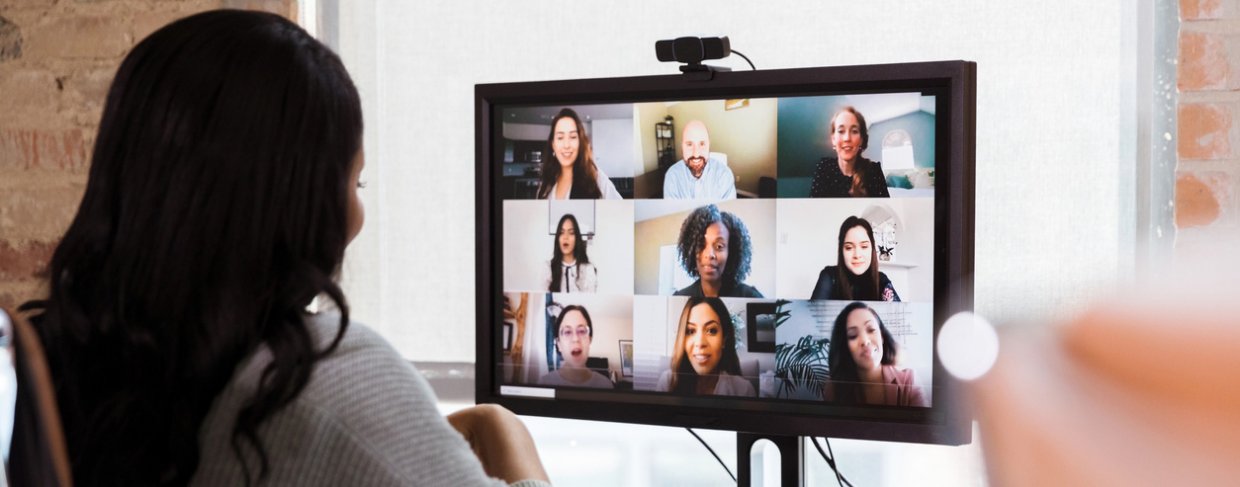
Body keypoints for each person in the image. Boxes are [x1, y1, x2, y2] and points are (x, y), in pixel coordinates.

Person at [18, 10, 548, 486]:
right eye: (354, 184)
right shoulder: (319, 378)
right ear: (299, 201)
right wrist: (503, 431)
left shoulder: (49, 366)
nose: (358, 217)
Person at [823, 302, 927, 407]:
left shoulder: (909, 381)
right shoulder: (833, 388)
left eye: (871, 330)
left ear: (882, 336)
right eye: (853, 335)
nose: (865, 340)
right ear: (844, 346)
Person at [655, 297, 755, 397]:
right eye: (690, 331)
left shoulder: (744, 390)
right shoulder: (667, 382)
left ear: (724, 339)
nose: (700, 343)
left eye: (712, 331)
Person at [673, 204, 763, 298]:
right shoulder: (680, 297)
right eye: (701, 245)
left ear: (731, 252)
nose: (709, 255)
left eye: (719, 246)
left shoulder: (751, 297)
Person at [535, 108, 622, 200]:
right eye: (560, 138)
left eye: (572, 137)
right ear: (553, 144)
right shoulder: (546, 183)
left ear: (580, 142)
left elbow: (622, 211)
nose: (566, 145)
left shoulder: (596, 178)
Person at [810, 216, 901, 301]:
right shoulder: (830, 276)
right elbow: (811, 314)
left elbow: (899, 314)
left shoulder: (881, 280)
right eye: (849, 248)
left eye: (864, 246)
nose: (857, 255)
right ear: (841, 250)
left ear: (872, 248)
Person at [809, 106, 891, 198]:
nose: (847, 138)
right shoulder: (824, 167)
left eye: (854, 131)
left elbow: (883, 210)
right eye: (841, 131)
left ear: (861, 140)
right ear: (833, 139)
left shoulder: (874, 171)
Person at [537, 305, 613, 388]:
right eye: (567, 332)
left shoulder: (606, 385)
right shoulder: (544, 383)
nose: (575, 339)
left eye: (581, 331)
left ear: (589, 339)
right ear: (559, 344)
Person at [662, 120, 737, 200]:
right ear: (682, 147)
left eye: (702, 144)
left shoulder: (725, 175)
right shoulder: (672, 176)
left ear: (709, 145)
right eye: (689, 145)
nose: (696, 154)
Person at [540, 214, 598, 293]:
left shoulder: (588, 269)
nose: (565, 237)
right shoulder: (548, 267)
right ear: (558, 238)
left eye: (571, 233)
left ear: (576, 238)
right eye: (561, 232)